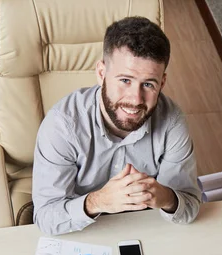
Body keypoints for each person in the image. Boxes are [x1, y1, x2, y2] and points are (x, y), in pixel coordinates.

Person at [32, 16, 201, 235]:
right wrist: (98, 202)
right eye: (125, 80)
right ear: (101, 73)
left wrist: (163, 196)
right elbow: (45, 217)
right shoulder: (62, 125)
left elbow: (190, 206)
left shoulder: (172, 122)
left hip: (146, 228)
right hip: (82, 231)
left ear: (162, 83)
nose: (135, 99)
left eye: (148, 84)